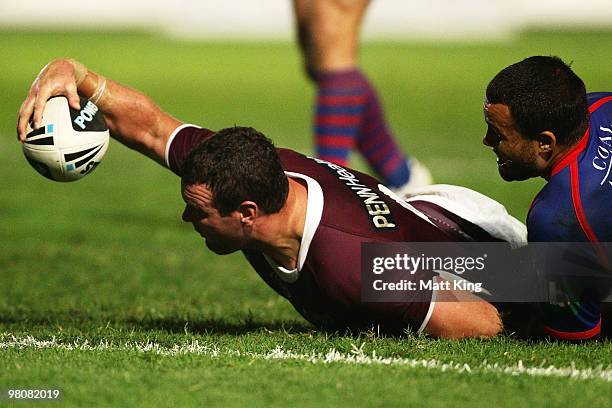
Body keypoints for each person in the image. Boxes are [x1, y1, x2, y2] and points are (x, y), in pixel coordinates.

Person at [17, 58, 525, 339]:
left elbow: (481, 323)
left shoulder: (354, 267)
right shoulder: (244, 166)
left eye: (198, 212)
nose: (185, 216)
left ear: (247, 214)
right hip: (421, 221)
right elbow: (150, 129)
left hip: (489, 254)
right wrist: (75, 74)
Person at [483, 56, 612, 340]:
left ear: (545, 143)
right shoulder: (601, 104)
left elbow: (575, 334)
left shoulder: (558, 217)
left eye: (498, 134)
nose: (487, 142)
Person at [292, 0, 432, 195]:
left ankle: (414, 190)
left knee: (328, 184)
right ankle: (410, 183)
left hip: (340, 87)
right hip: (341, 85)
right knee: (390, 165)